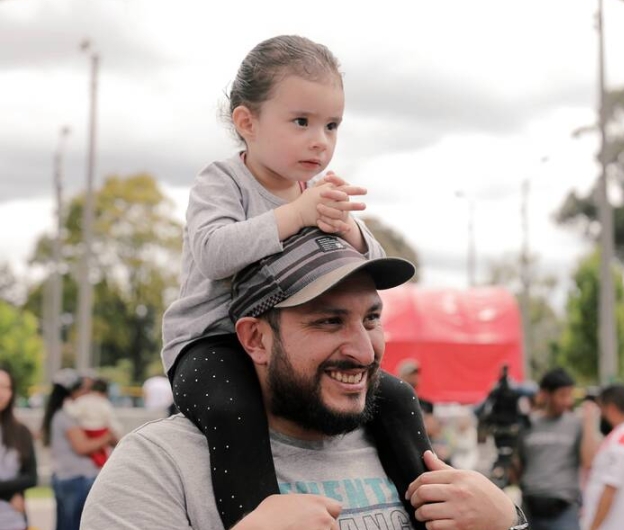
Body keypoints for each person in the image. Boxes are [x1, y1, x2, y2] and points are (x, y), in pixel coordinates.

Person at [158, 34, 432, 528]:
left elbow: (372, 263)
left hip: (293, 348)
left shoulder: (317, 191)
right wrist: (296, 215)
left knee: (395, 396)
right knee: (233, 408)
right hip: (211, 343)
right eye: (301, 122)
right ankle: (260, 516)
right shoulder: (223, 181)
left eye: (332, 126)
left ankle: (430, 504)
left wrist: (347, 226)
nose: (319, 140)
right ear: (247, 122)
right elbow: (214, 253)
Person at [82, 228, 528, 530]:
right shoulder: (157, 468)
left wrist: (509, 521)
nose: (364, 350)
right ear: (255, 339)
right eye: (329, 323)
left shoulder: (407, 450)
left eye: (371, 319)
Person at [513, 368, 599, 530]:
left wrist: (589, 423)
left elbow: (588, 461)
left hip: (563, 513)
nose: (568, 401)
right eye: (562, 395)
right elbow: (518, 466)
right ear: (546, 394)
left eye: (570, 395)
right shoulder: (528, 425)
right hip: (530, 510)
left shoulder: (576, 424)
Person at [42, 369, 115, 530]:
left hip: (65, 477)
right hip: (77, 479)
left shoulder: (58, 414)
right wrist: (107, 437)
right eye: (83, 388)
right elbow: (81, 447)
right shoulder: (67, 416)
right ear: (72, 391)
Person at [582, 384, 624, 530]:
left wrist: (593, 527)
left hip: (615, 524)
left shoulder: (622, 441)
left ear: (611, 408)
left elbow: (610, 490)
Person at [0, 367, 37, 530]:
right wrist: (8, 494)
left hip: (12, 519)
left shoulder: (21, 432)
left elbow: (31, 477)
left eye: (6, 387)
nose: (1, 393)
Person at [63, 378, 121, 468]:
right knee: (102, 457)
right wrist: (117, 435)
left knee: (90, 455)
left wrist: (68, 402)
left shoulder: (83, 400)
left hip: (85, 431)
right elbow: (112, 422)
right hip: (101, 432)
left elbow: (72, 412)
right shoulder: (104, 403)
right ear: (106, 392)